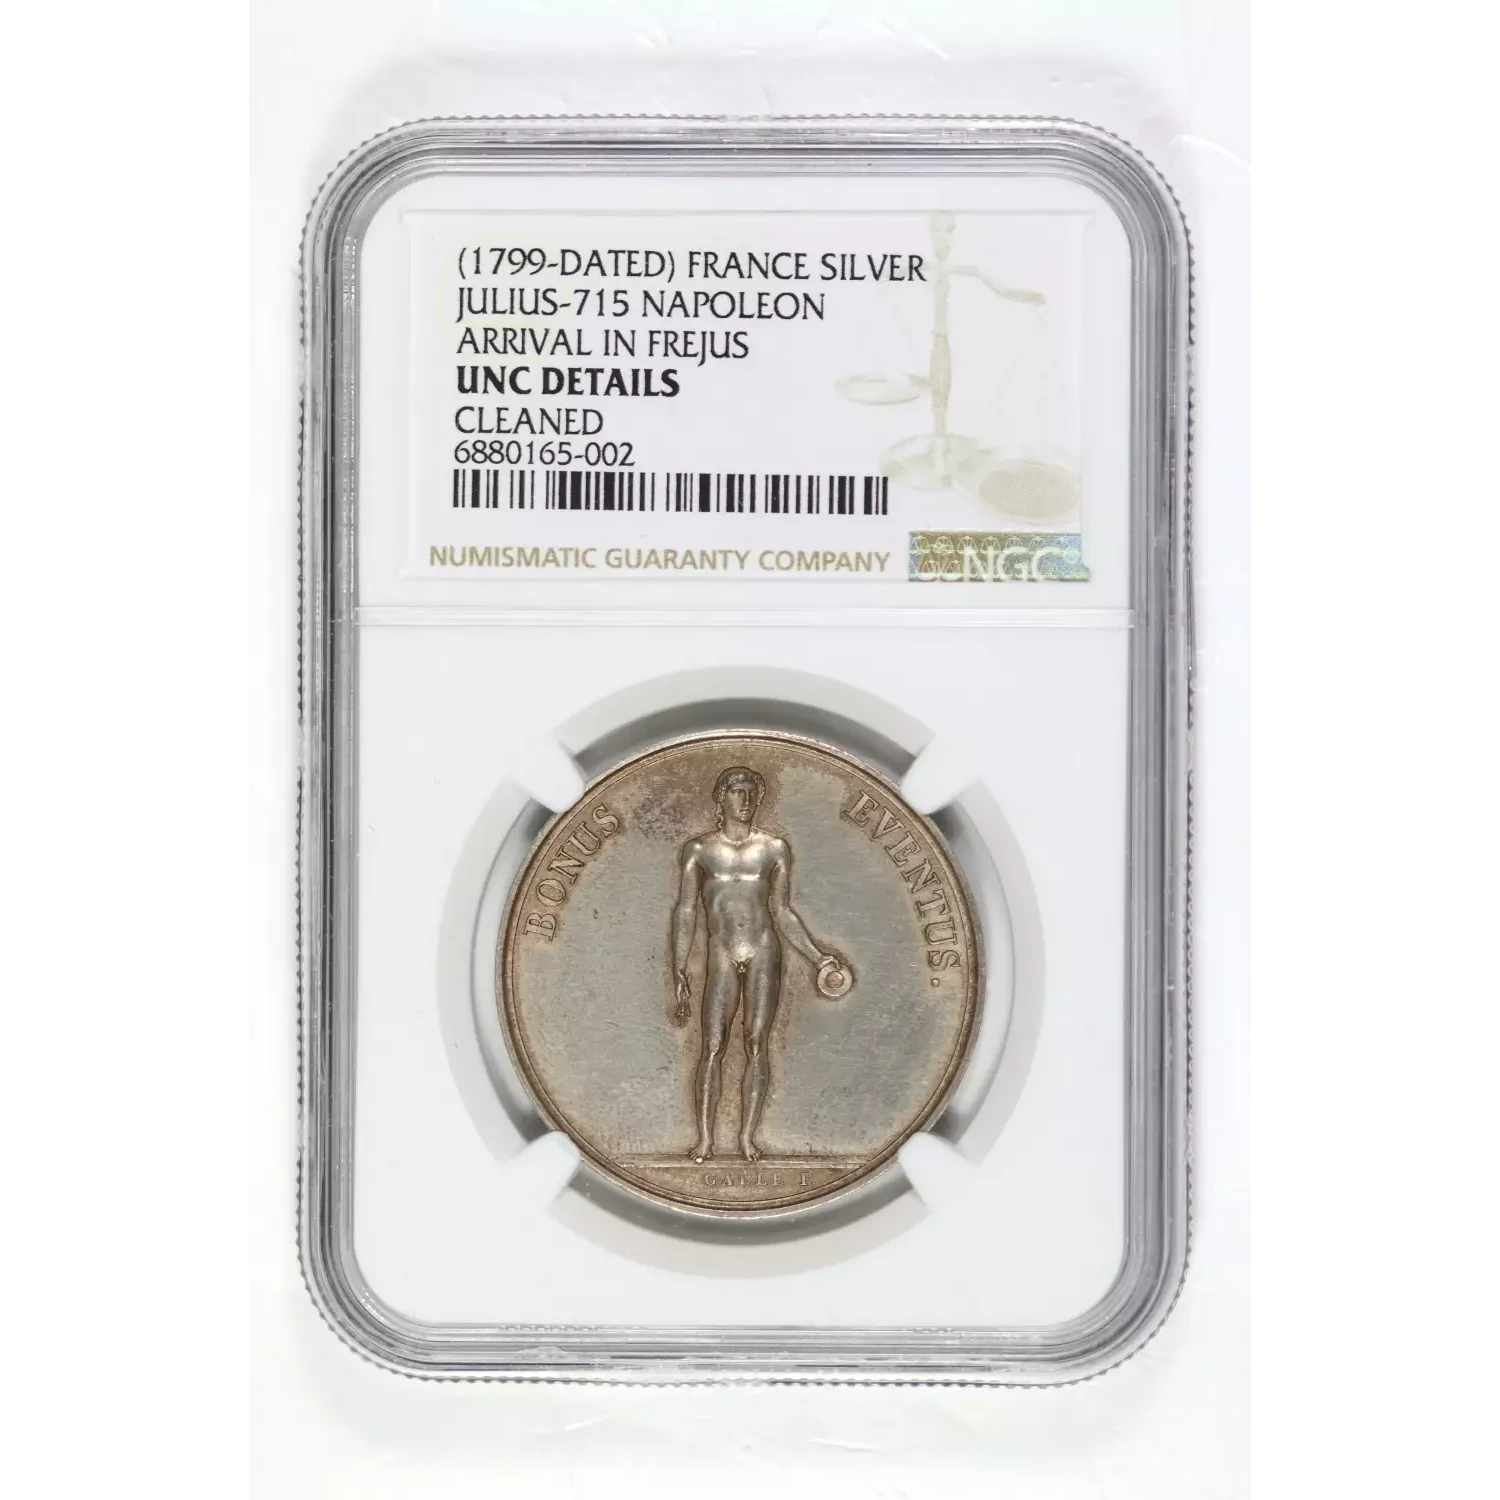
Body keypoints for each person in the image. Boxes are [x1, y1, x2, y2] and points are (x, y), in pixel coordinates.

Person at [670, 766, 842, 1162]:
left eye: (751, 792)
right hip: (721, 951)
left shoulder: (774, 848)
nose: (745, 800)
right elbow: (685, 911)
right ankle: (705, 1140)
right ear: (721, 798)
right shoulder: (699, 850)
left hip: (764, 949)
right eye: (737, 792)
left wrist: (817, 957)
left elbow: (782, 911)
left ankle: (747, 1137)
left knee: (756, 1043)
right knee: (713, 1046)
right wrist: (678, 966)